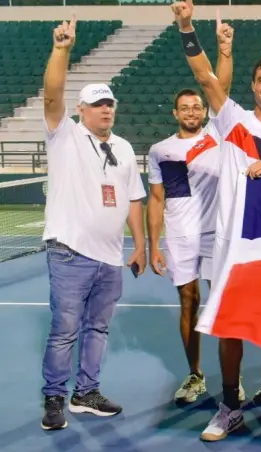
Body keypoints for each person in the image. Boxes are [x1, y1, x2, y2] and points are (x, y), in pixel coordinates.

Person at [171, 0, 261, 442]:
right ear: (253, 86)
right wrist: (187, 26)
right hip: (232, 246)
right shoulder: (233, 119)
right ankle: (230, 407)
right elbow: (204, 76)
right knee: (229, 330)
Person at [39, 15, 147, 431]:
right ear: (81, 110)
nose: (106, 109)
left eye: (109, 104)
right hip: (69, 253)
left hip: (109, 257)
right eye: (98, 104)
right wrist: (61, 49)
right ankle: (54, 398)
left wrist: (139, 246)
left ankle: (86, 393)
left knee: (97, 330)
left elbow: (134, 199)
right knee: (64, 330)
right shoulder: (64, 135)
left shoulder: (124, 147)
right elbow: (52, 96)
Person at [147, 13, 236, 405]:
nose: (191, 112)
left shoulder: (217, 133)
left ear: (203, 111)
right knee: (188, 302)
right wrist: (152, 245)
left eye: (197, 106)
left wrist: (224, 49)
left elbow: (219, 84)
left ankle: (231, 377)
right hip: (180, 236)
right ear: (175, 113)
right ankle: (195, 374)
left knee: (222, 302)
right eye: (184, 108)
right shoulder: (160, 151)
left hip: (217, 233)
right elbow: (155, 199)